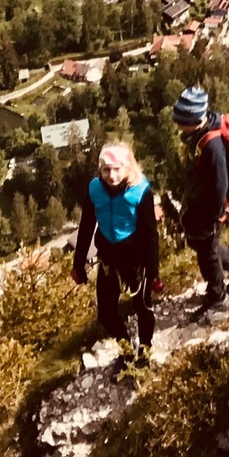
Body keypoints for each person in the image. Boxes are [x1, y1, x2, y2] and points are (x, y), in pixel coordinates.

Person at [72, 140, 161, 371]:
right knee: (106, 314)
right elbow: (86, 225)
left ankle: (145, 352)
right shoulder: (95, 189)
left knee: (142, 308)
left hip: (135, 260)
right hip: (108, 259)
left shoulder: (140, 190)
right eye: (106, 169)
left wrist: (153, 272)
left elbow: (150, 234)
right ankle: (127, 351)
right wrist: (78, 264)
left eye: (116, 168)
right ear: (100, 169)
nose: (111, 175)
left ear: (127, 167)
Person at [171, 86, 229, 316]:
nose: (178, 125)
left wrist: (213, 214)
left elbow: (220, 184)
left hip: (211, 207)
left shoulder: (212, 145)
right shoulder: (202, 132)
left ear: (194, 119)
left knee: (207, 250)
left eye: (181, 121)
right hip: (203, 202)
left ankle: (219, 297)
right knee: (204, 246)